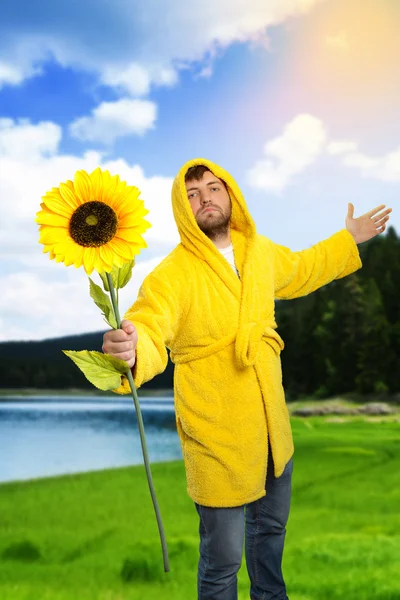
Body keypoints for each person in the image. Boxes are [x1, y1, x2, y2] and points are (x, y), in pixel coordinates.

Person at [102, 158, 392, 600]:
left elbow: (304, 268)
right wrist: (132, 347)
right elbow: (150, 322)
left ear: (231, 194)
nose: (205, 199)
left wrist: (347, 239)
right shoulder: (172, 275)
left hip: (272, 423)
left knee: (271, 535)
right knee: (222, 561)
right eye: (193, 195)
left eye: (213, 188)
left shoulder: (258, 251)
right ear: (183, 209)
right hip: (217, 431)